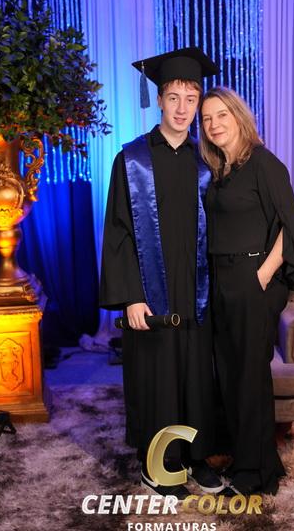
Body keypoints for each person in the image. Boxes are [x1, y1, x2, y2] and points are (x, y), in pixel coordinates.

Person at [99, 48, 224, 498]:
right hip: (151, 292)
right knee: (157, 377)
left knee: (196, 373)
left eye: (191, 99)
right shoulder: (131, 160)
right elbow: (117, 233)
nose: (182, 108)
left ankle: (196, 456)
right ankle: (159, 465)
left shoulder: (206, 161)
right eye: (174, 98)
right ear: (159, 100)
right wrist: (131, 296)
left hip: (196, 288)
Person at [199, 86, 294, 496]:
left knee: (248, 378)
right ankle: (261, 460)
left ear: (239, 116)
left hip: (252, 279)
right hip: (222, 278)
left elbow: (290, 226)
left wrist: (261, 275)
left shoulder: (264, 163)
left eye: (221, 115)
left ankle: (254, 476)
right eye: (207, 119)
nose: (214, 124)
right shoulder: (221, 169)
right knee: (230, 375)